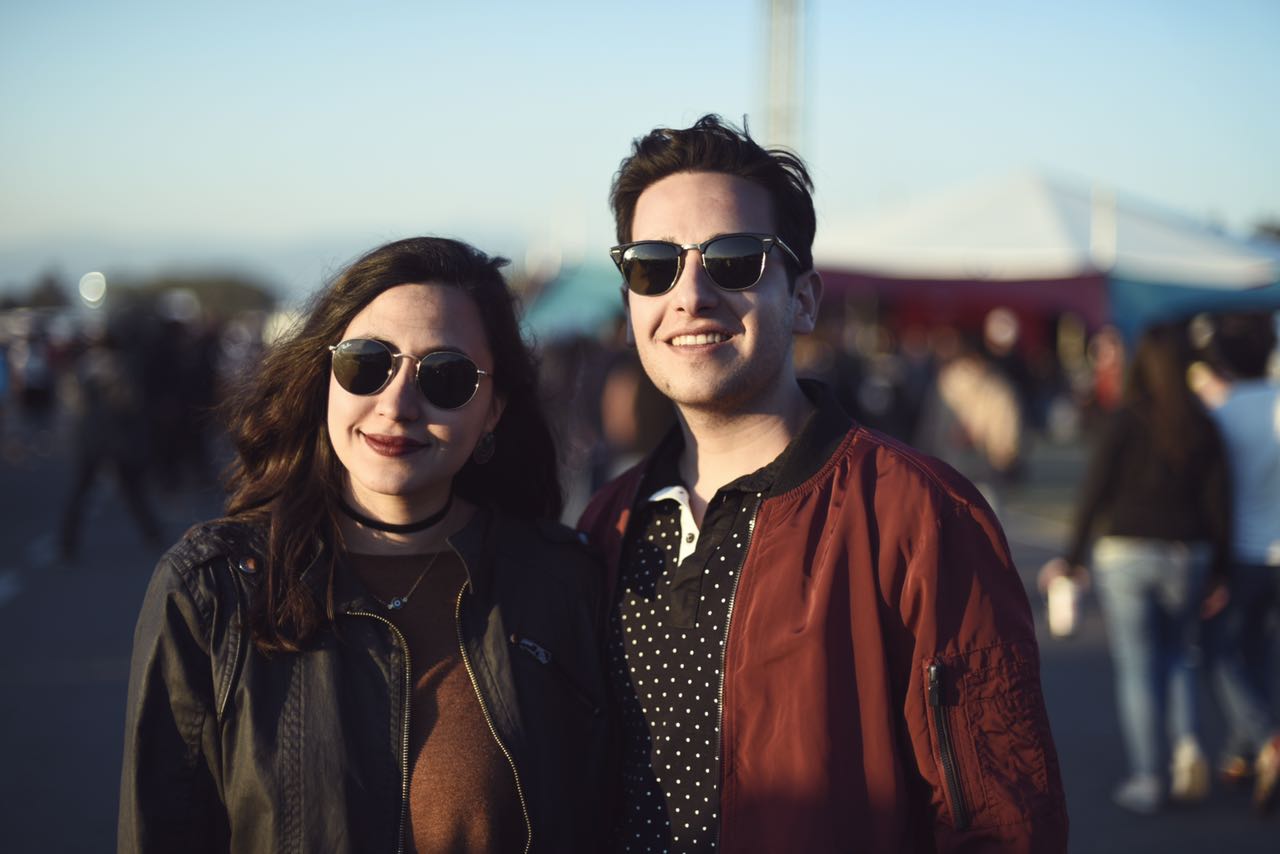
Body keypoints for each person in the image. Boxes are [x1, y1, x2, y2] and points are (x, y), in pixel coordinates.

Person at [579, 115, 1067, 853]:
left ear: (803, 299)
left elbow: (1000, 825)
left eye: (735, 260)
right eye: (654, 266)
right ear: (629, 306)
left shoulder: (920, 515)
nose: (690, 294)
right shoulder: (604, 525)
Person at [119, 237, 610, 853]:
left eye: (446, 376)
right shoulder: (213, 589)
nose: (397, 405)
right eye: (367, 363)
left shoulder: (563, 581)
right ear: (325, 375)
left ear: (493, 410)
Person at [1039, 321, 1231, 815]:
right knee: (1179, 655)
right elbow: (1218, 505)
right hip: (1187, 555)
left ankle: (1148, 777)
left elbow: (1094, 492)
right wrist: (1220, 570)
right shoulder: (1204, 425)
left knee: (1138, 667)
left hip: (1125, 554)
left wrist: (1073, 558)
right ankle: (1187, 746)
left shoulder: (1124, 421)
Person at [1199, 311, 1280, 814]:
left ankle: (1264, 736)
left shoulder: (1223, 413)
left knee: (1219, 652)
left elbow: (1213, 494)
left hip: (1242, 554)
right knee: (1263, 654)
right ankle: (1243, 751)